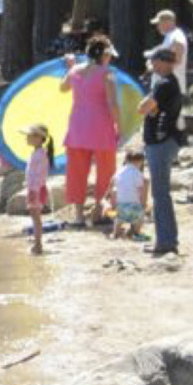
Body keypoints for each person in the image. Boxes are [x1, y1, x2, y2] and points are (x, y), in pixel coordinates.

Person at [60, 35, 121, 228]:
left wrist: (70, 67)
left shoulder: (76, 71)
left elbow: (63, 88)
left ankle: (78, 216)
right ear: (104, 55)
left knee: (76, 171)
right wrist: (120, 125)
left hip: (77, 125)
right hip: (101, 126)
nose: (110, 59)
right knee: (106, 170)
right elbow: (112, 103)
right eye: (109, 55)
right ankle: (99, 212)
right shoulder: (107, 74)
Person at [139, 48, 183, 256]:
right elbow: (153, 109)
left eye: (155, 61)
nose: (152, 65)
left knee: (160, 193)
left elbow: (143, 108)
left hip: (161, 143)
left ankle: (166, 241)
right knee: (160, 192)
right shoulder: (165, 83)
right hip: (162, 142)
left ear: (165, 62)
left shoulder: (164, 84)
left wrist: (148, 97)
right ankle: (166, 239)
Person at [21, 123, 54, 255]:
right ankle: (37, 242)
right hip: (34, 189)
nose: (27, 138)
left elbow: (40, 174)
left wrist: (33, 191)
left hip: (36, 190)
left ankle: (38, 245)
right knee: (35, 217)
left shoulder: (40, 154)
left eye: (29, 136)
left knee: (36, 218)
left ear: (39, 138)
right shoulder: (37, 152)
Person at [105, 149, 149, 241]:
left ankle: (115, 234)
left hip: (120, 203)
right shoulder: (137, 173)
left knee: (119, 219)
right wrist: (143, 203)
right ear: (140, 161)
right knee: (139, 218)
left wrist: (108, 194)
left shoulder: (119, 171)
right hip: (134, 203)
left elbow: (112, 181)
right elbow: (142, 187)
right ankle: (136, 233)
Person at [146, 9, 189, 94]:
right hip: (164, 85)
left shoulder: (177, 37)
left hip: (169, 87)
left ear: (168, 22)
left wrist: (154, 67)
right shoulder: (170, 36)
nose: (157, 26)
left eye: (159, 23)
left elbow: (177, 60)